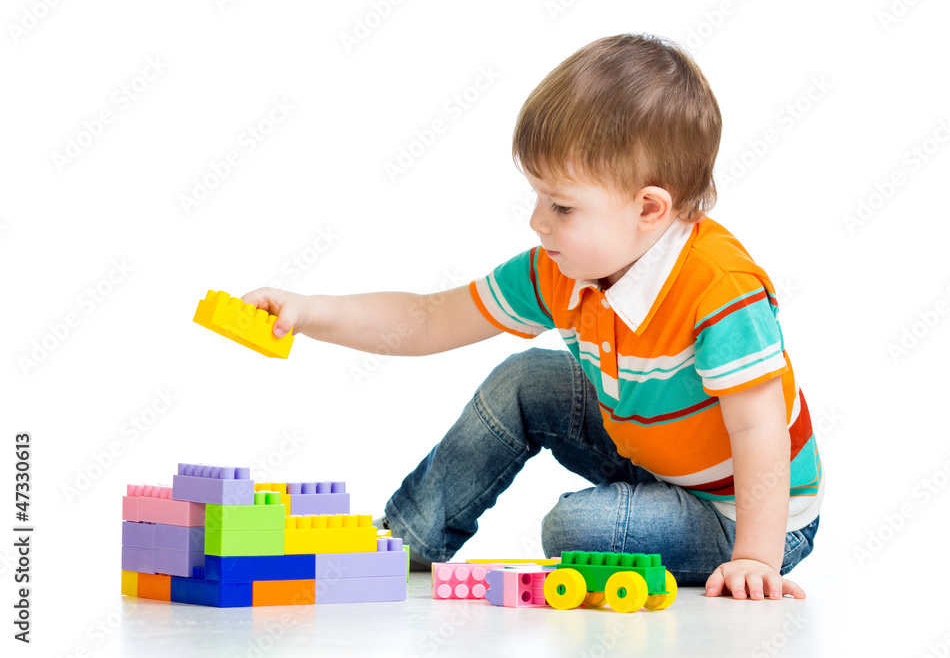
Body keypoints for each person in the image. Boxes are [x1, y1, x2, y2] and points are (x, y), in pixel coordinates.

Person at [242, 33, 822, 601]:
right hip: (654, 460)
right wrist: (309, 312)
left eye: (562, 206)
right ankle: (408, 542)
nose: (537, 222)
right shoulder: (560, 268)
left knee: (576, 530)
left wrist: (755, 557)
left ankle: (711, 541)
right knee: (524, 379)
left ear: (649, 208)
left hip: (744, 513)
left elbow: (759, 428)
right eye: (538, 197)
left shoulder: (718, 287)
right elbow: (427, 319)